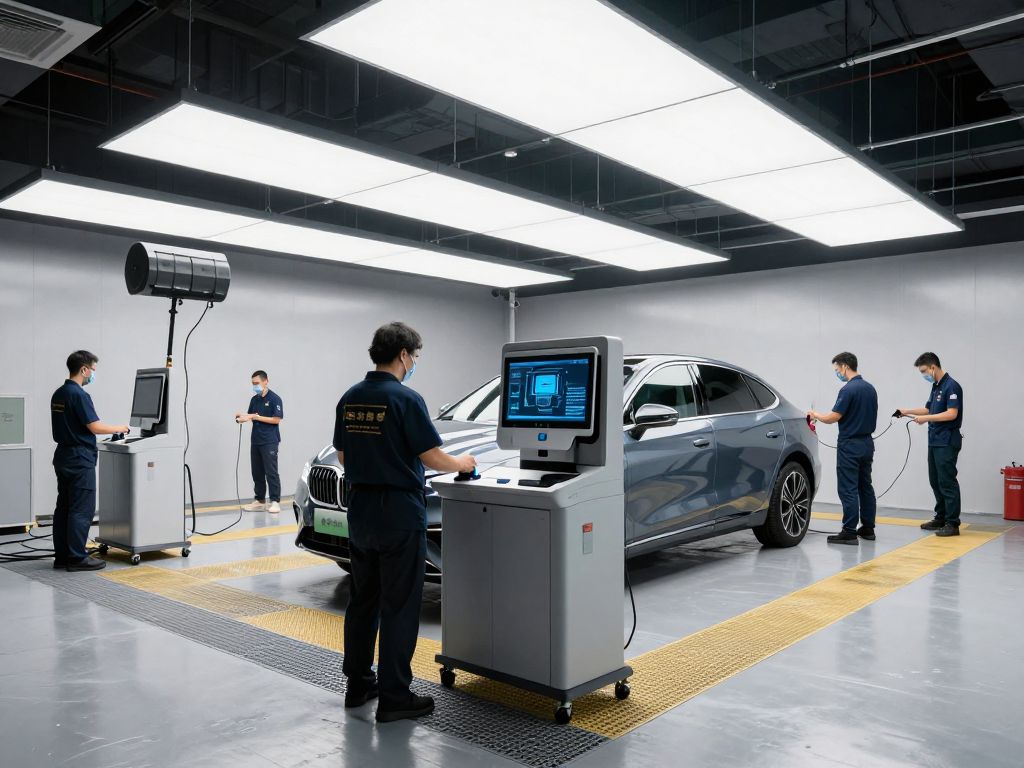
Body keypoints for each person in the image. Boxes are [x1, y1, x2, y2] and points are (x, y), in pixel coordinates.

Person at [334, 321, 476, 723]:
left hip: (360, 513)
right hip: (398, 512)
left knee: (363, 601)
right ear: (403, 355)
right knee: (399, 604)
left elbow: (343, 457)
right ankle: (396, 695)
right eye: (414, 356)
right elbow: (432, 456)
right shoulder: (405, 399)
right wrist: (462, 463)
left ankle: (358, 684)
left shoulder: (350, 398)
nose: (413, 362)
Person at [50, 351, 130, 571]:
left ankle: (63, 556)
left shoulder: (59, 393)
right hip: (79, 458)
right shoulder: (79, 395)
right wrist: (120, 428)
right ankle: (77, 558)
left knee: (64, 507)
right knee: (81, 509)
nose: (93, 374)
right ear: (84, 369)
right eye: (93, 370)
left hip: (63, 456)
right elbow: (94, 426)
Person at [808, 352, 878, 545]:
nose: (837, 373)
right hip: (867, 444)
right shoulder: (870, 389)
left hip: (850, 445)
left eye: (837, 369)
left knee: (848, 488)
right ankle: (868, 528)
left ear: (845, 366)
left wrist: (815, 415)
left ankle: (848, 531)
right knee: (865, 486)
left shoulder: (848, 390)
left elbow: (833, 417)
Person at [898, 353, 964, 537]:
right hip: (935, 440)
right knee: (935, 480)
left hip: (947, 441)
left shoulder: (952, 386)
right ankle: (940, 517)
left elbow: (951, 413)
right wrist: (907, 411)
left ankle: (952, 523)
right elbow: (928, 409)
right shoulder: (936, 387)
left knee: (947, 481)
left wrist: (926, 419)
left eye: (924, 371)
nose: (924, 375)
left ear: (933, 367)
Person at [235, 370, 284, 514]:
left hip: (269, 441)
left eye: (256, 383)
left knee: (271, 472)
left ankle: (275, 501)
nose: (255, 386)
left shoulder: (275, 399)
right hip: (256, 440)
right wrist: (242, 416)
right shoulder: (254, 399)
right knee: (257, 472)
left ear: (265, 381)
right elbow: (251, 415)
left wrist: (256, 418)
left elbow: (276, 419)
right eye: (253, 384)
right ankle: (260, 500)